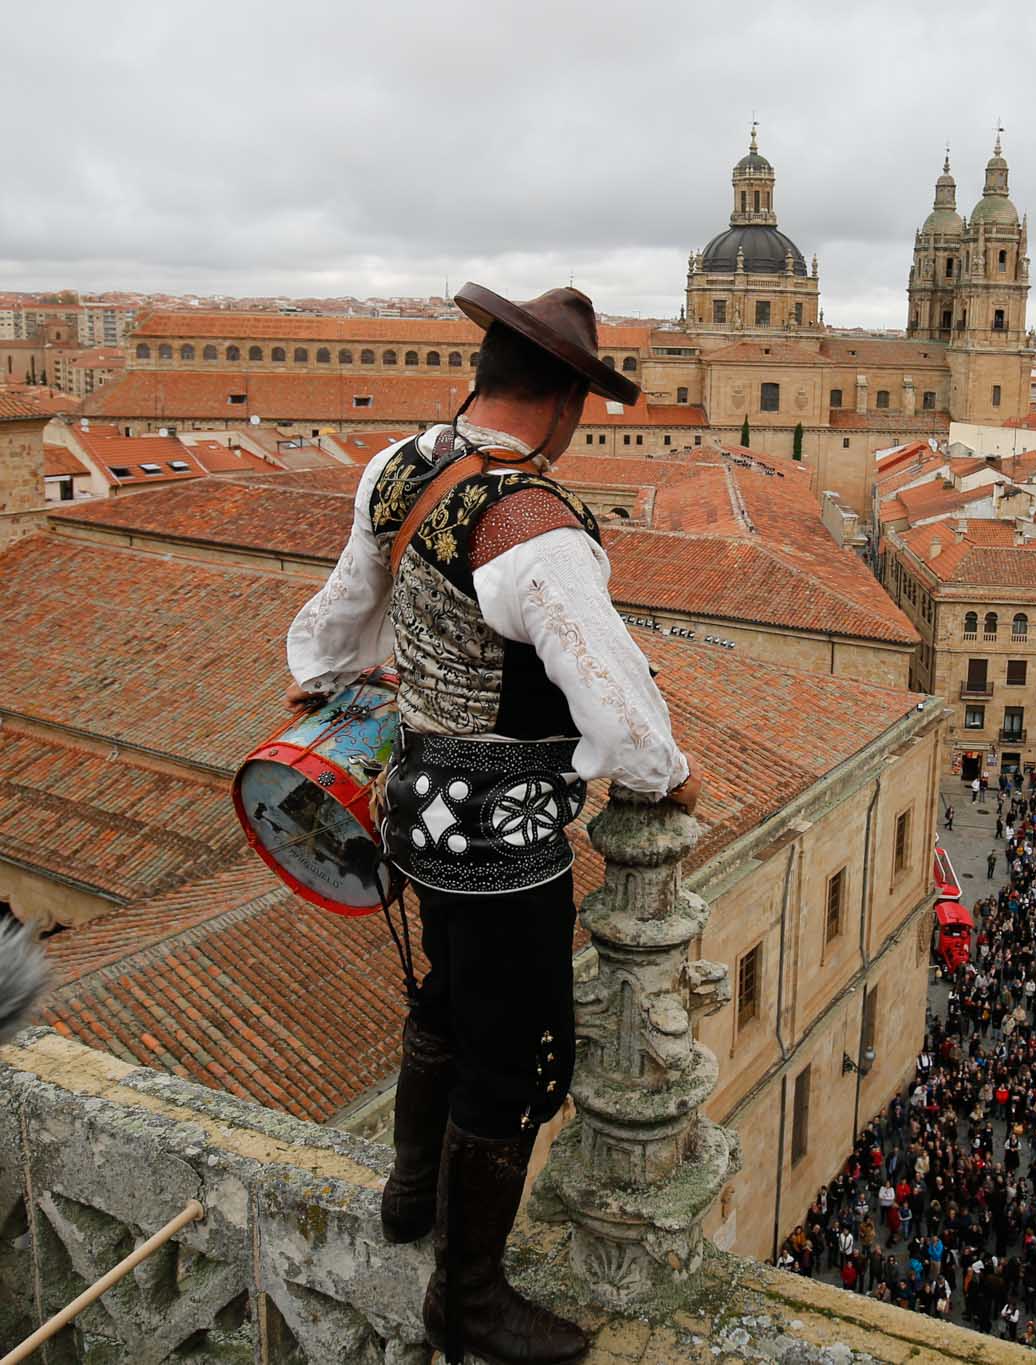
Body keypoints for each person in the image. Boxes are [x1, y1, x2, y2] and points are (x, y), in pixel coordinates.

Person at [286, 283, 695, 1365]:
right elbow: (608, 695)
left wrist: (324, 680)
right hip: (505, 836)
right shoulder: (533, 527)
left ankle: (410, 1195)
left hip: (415, 803)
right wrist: (661, 772)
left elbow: (341, 610)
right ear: (561, 400)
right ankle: (465, 1306)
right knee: (514, 1067)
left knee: (446, 997)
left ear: (483, 375)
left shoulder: (401, 467)